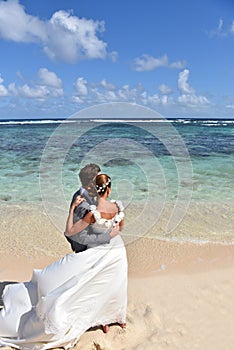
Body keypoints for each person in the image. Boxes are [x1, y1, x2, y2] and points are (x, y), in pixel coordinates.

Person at [0, 174, 128, 349]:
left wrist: (73, 209)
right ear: (110, 189)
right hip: (118, 251)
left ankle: (103, 318)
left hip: (99, 252)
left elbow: (69, 232)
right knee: (113, 284)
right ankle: (114, 319)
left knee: (93, 285)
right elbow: (119, 229)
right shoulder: (118, 206)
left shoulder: (93, 212)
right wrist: (109, 235)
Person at [65, 163, 114, 253]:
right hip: (86, 250)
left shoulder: (85, 194)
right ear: (92, 182)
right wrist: (108, 236)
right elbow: (81, 238)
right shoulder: (82, 205)